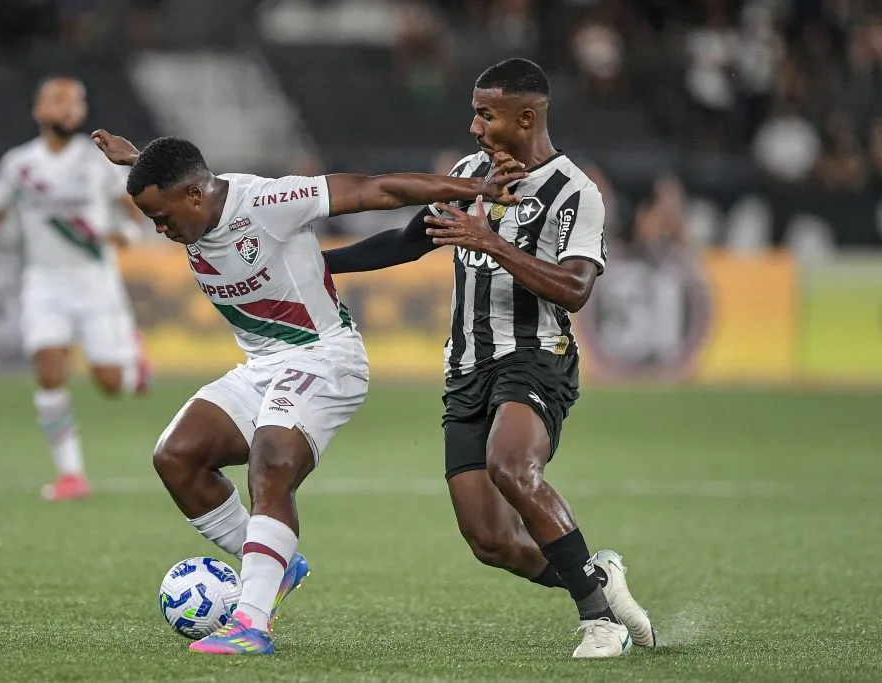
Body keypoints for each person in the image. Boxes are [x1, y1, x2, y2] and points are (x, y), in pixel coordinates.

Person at [90, 129, 527, 656]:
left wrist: (473, 187)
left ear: (194, 196)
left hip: (324, 358)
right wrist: (136, 159)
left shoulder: (268, 203)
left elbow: (377, 189)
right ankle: (278, 565)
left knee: (271, 460)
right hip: (263, 366)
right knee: (176, 456)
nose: (160, 229)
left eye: (162, 217)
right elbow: (175, 177)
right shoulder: (190, 197)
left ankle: (250, 623)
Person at [323, 58, 656, 659]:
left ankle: (598, 621)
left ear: (525, 117)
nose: (474, 127)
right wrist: (321, 265)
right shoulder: (470, 173)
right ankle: (597, 578)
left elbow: (576, 289)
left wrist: (492, 243)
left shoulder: (575, 191)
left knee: (512, 465)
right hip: (465, 367)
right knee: (489, 540)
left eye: (485, 114)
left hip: (535, 357)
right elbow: (406, 242)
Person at [0, 76, 150, 501]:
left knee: (109, 384)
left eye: (75, 103)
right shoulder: (19, 163)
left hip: (94, 282)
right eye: (58, 101)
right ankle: (71, 474)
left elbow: (132, 208)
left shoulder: (94, 160)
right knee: (48, 372)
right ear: (39, 111)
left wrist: (129, 235)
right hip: (43, 282)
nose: (67, 109)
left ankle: (132, 361)